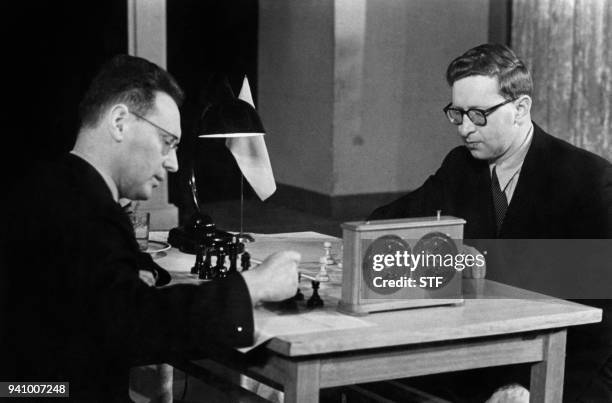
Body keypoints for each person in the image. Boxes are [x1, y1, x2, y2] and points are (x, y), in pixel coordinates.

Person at [0, 55, 299, 402]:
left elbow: (93, 300)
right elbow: (136, 326)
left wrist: (136, 271)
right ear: (120, 122)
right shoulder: (88, 211)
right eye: (168, 141)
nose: (172, 163)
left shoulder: (51, 187)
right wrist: (251, 287)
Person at [369, 44, 612, 402]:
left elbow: (602, 320)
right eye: (457, 114)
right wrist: (447, 247)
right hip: (481, 356)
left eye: (478, 115)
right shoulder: (459, 166)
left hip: (567, 366)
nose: (464, 129)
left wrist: (528, 385)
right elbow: (381, 222)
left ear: (521, 108)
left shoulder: (589, 181)